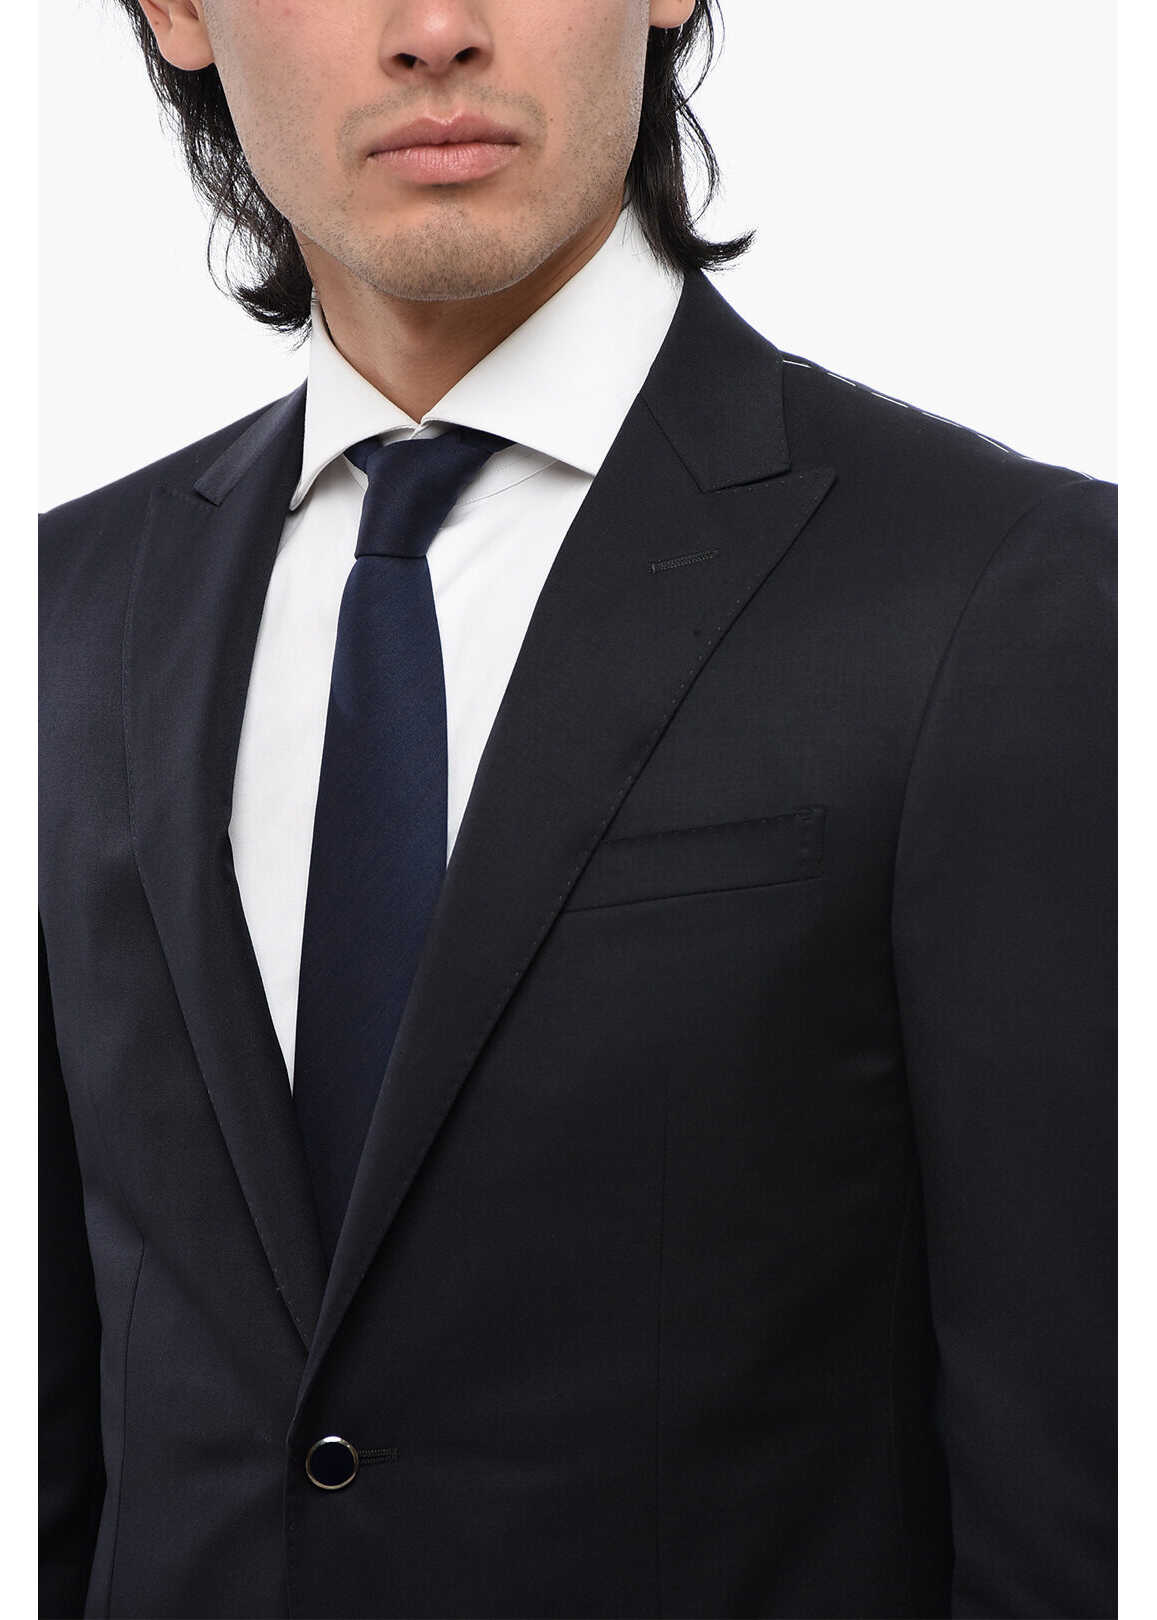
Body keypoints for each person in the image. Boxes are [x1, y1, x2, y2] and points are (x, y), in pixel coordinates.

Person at [38, 1, 1115, 1616]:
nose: (435, 30)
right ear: (179, 13)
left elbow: (1074, 1478)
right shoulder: (60, 609)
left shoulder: (995, 591)